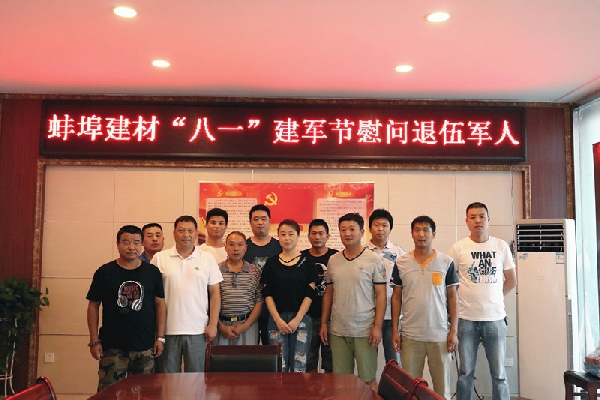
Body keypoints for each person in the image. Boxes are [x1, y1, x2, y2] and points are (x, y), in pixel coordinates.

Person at [449, 202, 517, 400]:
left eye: (481, 216)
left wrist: (495, 297)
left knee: (499, 375)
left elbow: (511, 280)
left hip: (495, 319)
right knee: (465, 374)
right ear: (466, 221)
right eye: (473, 217)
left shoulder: (501, 246)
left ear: (488, 219)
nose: (477, 220)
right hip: (465, 319)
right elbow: (450, 284)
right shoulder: (458, 248)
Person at [86, 225, 166, 392]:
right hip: (112, 346)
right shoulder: (104, 272)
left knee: (145, 394)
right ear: (117, 244)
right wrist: (94, 340)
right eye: (126, 242)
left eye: (136, 242)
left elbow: (160, 304)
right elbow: (93, 305)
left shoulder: (152, 272)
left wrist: (160, 337)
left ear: (141, 244)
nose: (131, 247)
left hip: (145, 346)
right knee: (109, 394)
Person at [391, 216, 458, 400]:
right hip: (410, 336)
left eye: (426, 230)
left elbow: (453, 297)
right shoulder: (401, 263)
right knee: (410, 389)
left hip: (439, 336)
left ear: (433, 234)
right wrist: (395, 331)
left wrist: (453, 331)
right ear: (412, 234)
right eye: (417, 230)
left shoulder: (446, 262)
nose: (421, 234)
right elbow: (396, 297)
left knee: (441, 390)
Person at [320, 213, 387, 392]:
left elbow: (381, 295)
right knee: (341, 382)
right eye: (343, 230)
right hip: (338, 330)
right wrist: (324, 323)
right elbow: (329, 293)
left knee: (368, 380)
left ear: (362, 232)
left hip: (365, 330)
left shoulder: (374, 260)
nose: (347, 233)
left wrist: (377, 327)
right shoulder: (333, 260)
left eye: (352, 229)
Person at [151, 215, 223, 372]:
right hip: (168, 330)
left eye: (190, 231)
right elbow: (153, 296)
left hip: (198, 330)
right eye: (181, 230)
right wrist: (158, 332)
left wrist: (212, 324)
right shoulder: (159, 258)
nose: (186, 235)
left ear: (196, 233)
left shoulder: (207, 259)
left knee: (196, 379)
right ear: (174, 233)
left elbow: (215, 294)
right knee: (168, 380)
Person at [261, 219, 317, 372]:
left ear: (298, 236)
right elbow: (267, 293)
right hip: (276, 320)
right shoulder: (271, 263)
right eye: (283, 234)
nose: (287, 238)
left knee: (299, 365)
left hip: (301, 320)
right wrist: (277, 319)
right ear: (278, 237)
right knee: (279, 365)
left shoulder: (307, 262)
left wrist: (297, 319)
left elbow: (310, 293)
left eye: (291, 234)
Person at [367, 208, 405, 364]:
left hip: (393, 315)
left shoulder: (399, 252)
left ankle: (395, 382)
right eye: (376, 225)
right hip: (369, 314)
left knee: (394, 360)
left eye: (384, 225)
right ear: (370, 228)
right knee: (368, 360)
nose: (380, 229)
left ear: (390, 229)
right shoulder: (363, 251)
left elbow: (405, 282)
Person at [301, 219, 338, 373]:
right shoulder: (301, 257)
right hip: (307, 317)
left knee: (331, 363)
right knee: (308, 363)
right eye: (314, 233)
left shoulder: (336, 257)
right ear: (308, 236)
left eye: (321, 233)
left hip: (332, 318)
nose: (317, 237)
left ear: (328, 236)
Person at [243, 204, 282, 345]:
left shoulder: (279, 246)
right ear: (250, 222)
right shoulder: (243, 246)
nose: (260, 222)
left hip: (273, 310)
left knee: (271, 351)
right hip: (248, 309)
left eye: (263, 219)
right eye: (256, 219)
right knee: (248, 351)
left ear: (270, 221)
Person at [216, 231, 263, 345]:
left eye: (240, 245)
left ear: (246, 247)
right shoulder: (216, 270)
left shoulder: (255, 271)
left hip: (248, 326)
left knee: (247, 357)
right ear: (225, 247)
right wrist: (220, 326)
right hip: (222, 326)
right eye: (231, 244)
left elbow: (259, 300)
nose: (236, 249)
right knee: (220, 357)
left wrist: (245, 325)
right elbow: (210, 300)